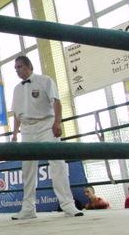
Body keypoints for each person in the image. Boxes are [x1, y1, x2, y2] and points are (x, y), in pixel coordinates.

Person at [10, 55, 83, 219]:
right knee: (27, 168)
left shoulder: (45, 80)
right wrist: (14, 134)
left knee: (57, 163)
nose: (17, 71)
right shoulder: (16, 89)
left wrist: (57, 123)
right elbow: (16, 114)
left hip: (46, 125)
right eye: (15, 68)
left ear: (29, 66)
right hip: (27, 129)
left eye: (20, 67)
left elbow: (57, 102)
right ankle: (28, 208)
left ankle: (68, 205)